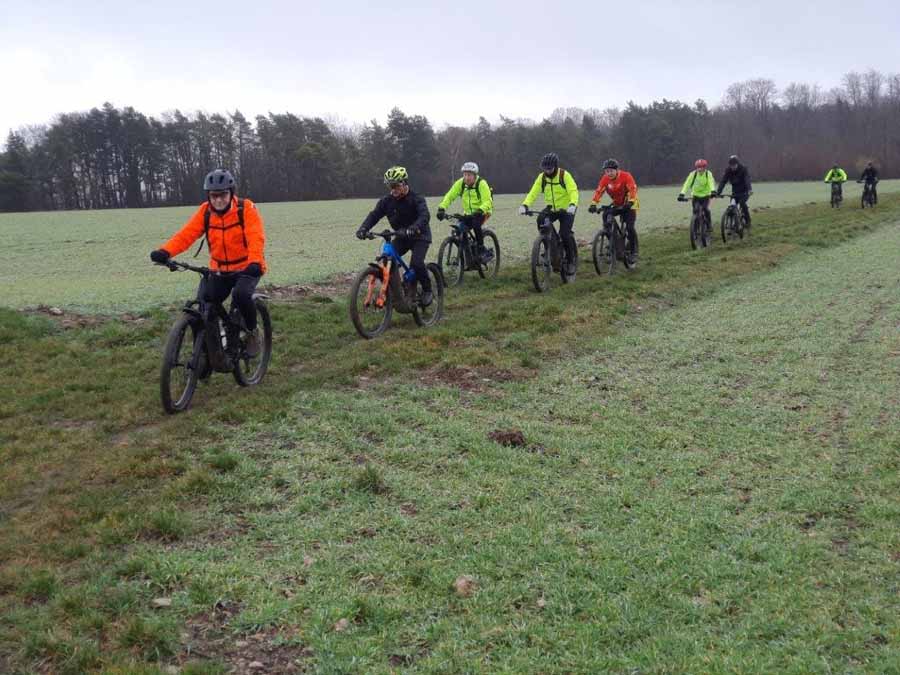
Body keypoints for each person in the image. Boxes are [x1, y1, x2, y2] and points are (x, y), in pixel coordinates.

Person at [150, 168, 266, 356]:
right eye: (214, 196)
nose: (218, 200)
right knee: (205, 303)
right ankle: (208, 352)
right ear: (209, 196)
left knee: (241, 295)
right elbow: (187, 235)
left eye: (223, 195)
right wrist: (165, 251)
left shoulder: (245, 209)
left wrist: (254, 262)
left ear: (231, 193)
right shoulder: (205, 212)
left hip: (247, 267)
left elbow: (255, 237)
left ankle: (253, 332)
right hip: (219, 270)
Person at [356, 166, 433, 306]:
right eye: (390, 186)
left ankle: (427, 290)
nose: (393, 190)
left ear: (404, 183)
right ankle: (394, 293)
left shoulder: (416, 198)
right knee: (386, 259)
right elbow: (374, 215)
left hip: (420, 236)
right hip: (402, 236)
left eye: (396, 186)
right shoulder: (387, 201)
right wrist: (363, 228)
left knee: (416, 263)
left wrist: (414, 228)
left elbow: (424, 216)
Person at [518, 153, 579, 275]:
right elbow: (533, 192)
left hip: (567, 209)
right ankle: (550, 244)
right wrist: (525, 205)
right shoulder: (542, 178)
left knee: (565, 234)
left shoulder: (564, 175)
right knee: (540, 219)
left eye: (549, 169)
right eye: (545, 169)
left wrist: (573, 204)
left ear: (555, 166)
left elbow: (573, 191)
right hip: (551, 209)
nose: (547, 171)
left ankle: (571, 260)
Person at [436, 161, 494, 263]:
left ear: (475, 175)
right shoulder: (460, 183)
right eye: (465, 174)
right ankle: (468, 258)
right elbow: (450, 196)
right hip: (468, 214)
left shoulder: (481, 184)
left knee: (476, 224)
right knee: (459, 229)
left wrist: (480, 210)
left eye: (469, 175)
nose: (467, 178)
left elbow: (488, 201)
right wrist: (442, 208)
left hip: (483, 212)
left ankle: (481, 248)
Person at [588, 158, 639, 258]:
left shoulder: (626, 176)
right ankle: (614, 241)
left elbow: (632, 189)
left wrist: (631, 201)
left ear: (617, 170)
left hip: (630, 204)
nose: (609, 173)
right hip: (617, 204)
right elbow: (599, 191)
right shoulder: (605, 179)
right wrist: (593, 204)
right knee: (606, 215)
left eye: (611, 171)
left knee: (630, 227)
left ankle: (633, 251)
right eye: (607, 171)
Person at [678, 159, 716, 231]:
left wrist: (713, 191)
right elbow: (687, 184)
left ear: (705, 167)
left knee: (706, 209)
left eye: (702, 167)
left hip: (706, 196)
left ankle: (709, 224)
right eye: (698, 167)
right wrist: (682, 194)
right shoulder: (693, 174)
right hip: (695, 196)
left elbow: (711, 182)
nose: (700, 169)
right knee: (695, 210)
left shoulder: (708, 174)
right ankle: (695, 227)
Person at [716, 155, 753, 227]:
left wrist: (749, 189)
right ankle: (732, 223)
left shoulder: (743, 169)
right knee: (731, 207)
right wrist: (718, 192)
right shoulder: (728, 170)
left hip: (744, 192)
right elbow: (723, 181)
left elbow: (747, 179)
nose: (732, 167)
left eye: (734, 165)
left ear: (737, 164)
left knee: (742, 203)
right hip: (735, 193)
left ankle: (748, 221)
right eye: (731, 165)